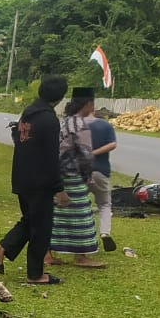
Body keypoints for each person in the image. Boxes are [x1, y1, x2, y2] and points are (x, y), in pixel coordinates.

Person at [0, 75, 70, 285]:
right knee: (41, 228)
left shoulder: (28, 114)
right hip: (40, 180)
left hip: (22, 177)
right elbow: (51, 156)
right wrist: (59, 187)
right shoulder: (49, 120)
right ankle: (35, 274)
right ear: (60, 97)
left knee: (31, 221)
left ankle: (1, 249)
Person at [46, 88, 104, 268]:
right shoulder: (80, 125)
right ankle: (81, 256)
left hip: (57, 174)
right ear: (88, 104)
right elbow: (85, 154)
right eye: (92, 104)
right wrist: (88, 178)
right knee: (81, 215)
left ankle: (47, 254)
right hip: (73, 175)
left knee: (56, 216)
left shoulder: (63, 122)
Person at [87, 111, 118, 251]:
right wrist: (94, 153)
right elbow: (112, 144)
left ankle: (84, 237)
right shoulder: (106, 125)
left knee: (80, 205)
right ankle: (105, 232)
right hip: (101, 171)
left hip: (79, 171)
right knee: (105, 204)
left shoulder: (76, 125)